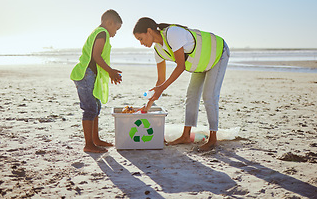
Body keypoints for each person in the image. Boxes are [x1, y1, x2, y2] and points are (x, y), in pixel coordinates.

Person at [133, 17, 230, 151]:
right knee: (191, 96)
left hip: (218, 53)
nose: (141, 43)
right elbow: (160, 80)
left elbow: (180, 66)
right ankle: (186, 135)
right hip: (201, 63)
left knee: (208, 96)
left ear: (149, 31)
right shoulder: (158, 51)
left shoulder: (172, 33)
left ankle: (213, 139)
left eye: (141, 39)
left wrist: (162, 88)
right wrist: (147, 105)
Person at [71, 9, 123, 153]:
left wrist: (110, 72)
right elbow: (96, 56)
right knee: (90, 108)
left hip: (89, 75)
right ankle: (89, 144)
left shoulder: (99, 32)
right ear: (109, 22)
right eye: (116, 28)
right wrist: (111, 71)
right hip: (85, 75)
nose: (116, 33)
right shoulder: (102, 33)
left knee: (96, 106)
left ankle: (95, 139)